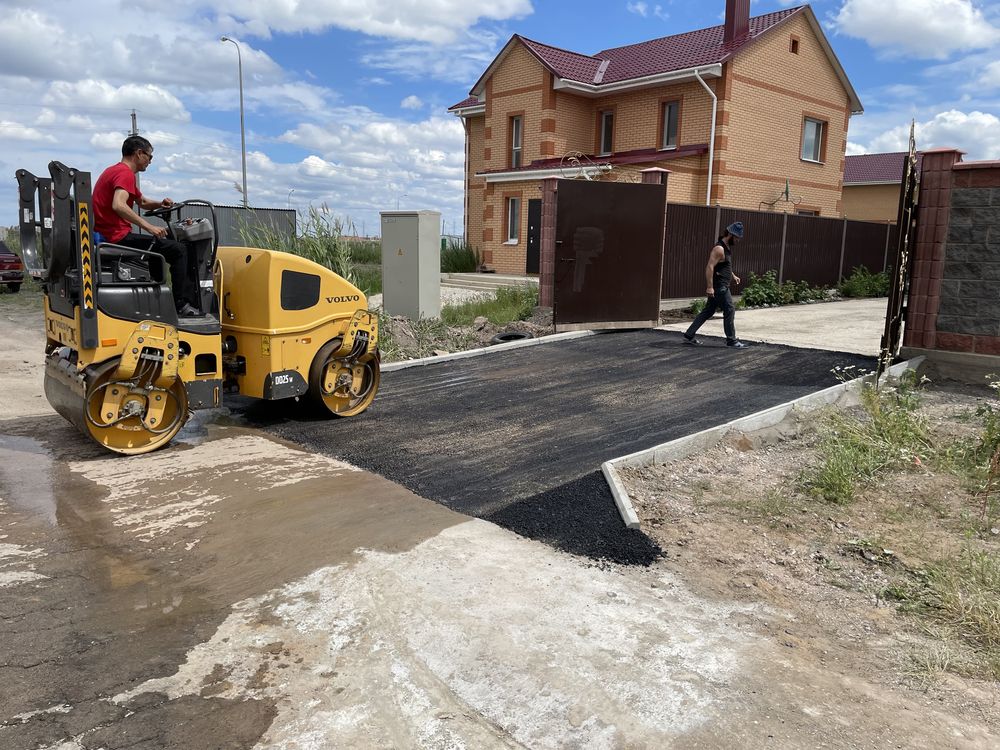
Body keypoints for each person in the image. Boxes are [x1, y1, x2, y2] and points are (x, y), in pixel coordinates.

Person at [92, 135, 199, 316]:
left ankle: (159, 297)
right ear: (139, 153)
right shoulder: (125, 173)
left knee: (161, 249)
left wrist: (160, 204)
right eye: (150, 157)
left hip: (110, 234)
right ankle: (181, 304)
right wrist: (149, 227)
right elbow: (118, 205)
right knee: (180, 250)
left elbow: (141, 201)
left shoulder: (115, 171)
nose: (150, 161)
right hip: (117, 237)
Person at [682, 221, 749, 348]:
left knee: (708, 311)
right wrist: (709, 286)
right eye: (737, 238)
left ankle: (688, 335)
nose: (738, 241)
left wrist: (733, 275)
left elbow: (723, 265)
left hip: (721, 285)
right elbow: (710, 267)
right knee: (729, 309)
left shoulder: (727, 248)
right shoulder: (719, 248)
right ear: (730, 235)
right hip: (720, 287)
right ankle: (732, 341)